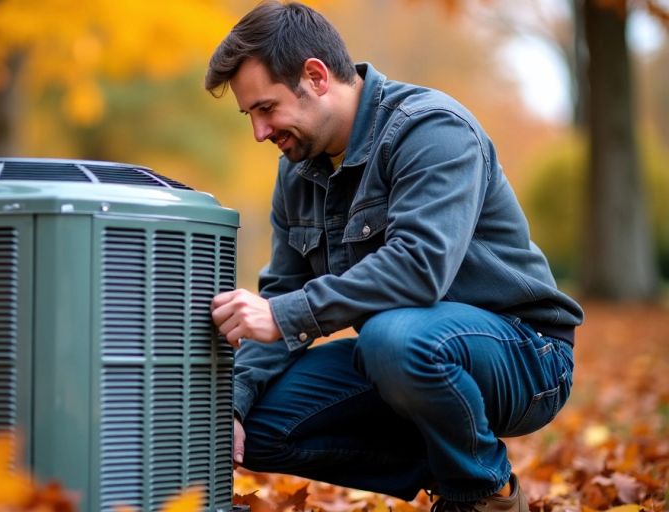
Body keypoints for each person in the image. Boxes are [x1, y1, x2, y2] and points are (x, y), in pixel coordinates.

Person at [206, 2, 584, 511]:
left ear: (315, 76)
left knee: (394, 338)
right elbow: (282, 295)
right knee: (261, 425)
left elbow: (418, 267)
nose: (259, 131)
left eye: (266, 108)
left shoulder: (431, 130)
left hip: (525, 355)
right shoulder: (295, 175)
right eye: (250, 114)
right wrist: (233, 403)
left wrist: (284, 314)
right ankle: (447, 463)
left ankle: (482, 492)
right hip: (406, 357)